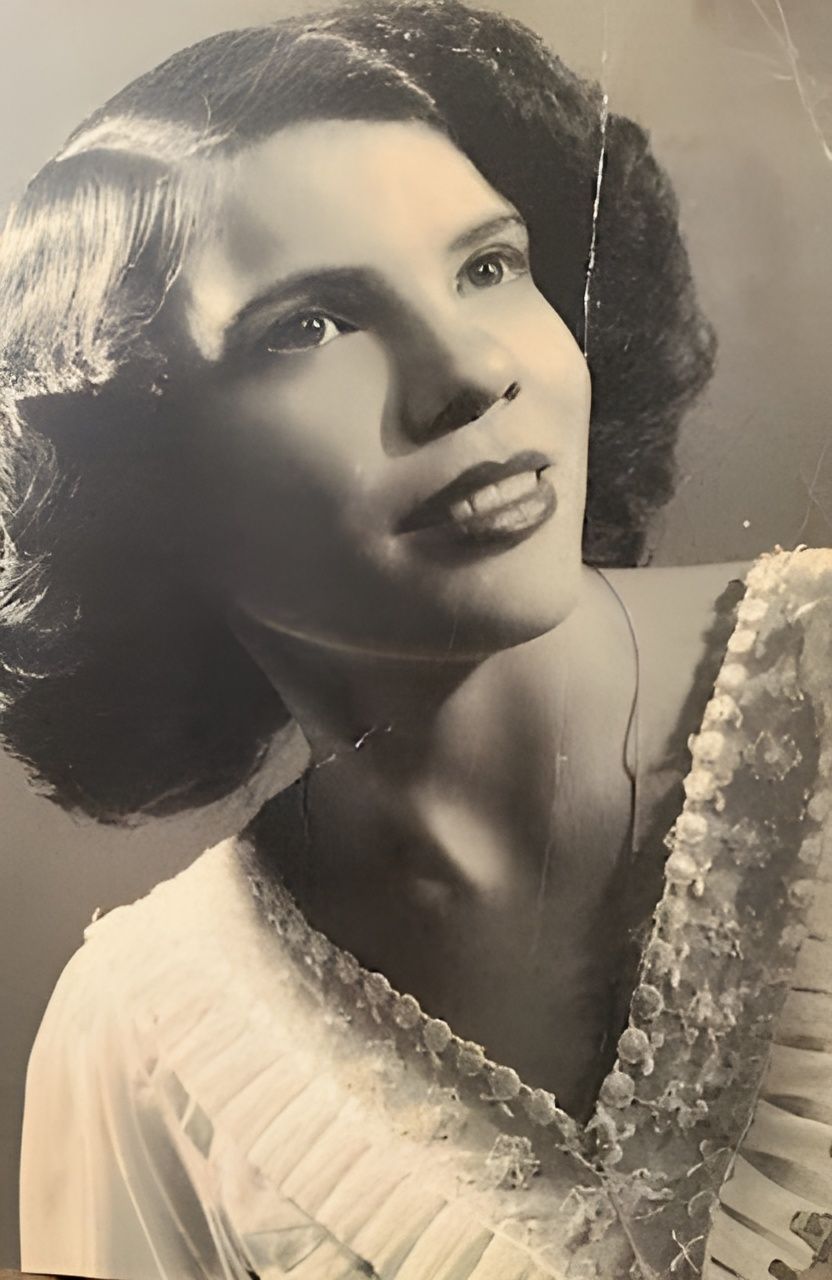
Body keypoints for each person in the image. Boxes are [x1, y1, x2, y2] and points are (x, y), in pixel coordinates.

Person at [3, 2, 825, 1277]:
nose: (468, 371)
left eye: (488, 265)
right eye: (308, 326)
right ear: (139, 484)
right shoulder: (144, 1042)